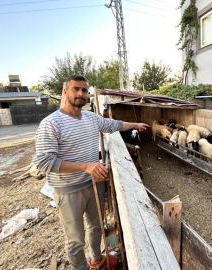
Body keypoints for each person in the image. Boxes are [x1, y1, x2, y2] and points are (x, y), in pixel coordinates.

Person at [33, 75, 149, 270]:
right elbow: (43, 162)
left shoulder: (90, 118)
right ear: (65, 92)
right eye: (76, 89)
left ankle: (96, 259)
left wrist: (135, 125)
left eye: (84, 90)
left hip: (93, 184)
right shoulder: (51, 123)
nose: (80, 94)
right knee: (75, 239)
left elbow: (114, 125)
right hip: (69, 190)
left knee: (96, 227)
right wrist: (85, 166)